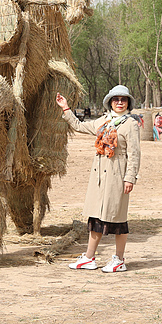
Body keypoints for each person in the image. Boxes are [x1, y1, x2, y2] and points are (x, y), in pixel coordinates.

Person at [56, 85, 141, 273]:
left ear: (128, 103)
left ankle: (119, 260)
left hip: (117, 175)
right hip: (98, 176)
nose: (120, 102)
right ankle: (89, 258)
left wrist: (130, 178)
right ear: (110, 102)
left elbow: (134, 154)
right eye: (116, 99)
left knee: (117, 218)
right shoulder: (103, 121)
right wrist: (66, 108)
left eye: (123, 99)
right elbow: (78, 126)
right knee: (95, 217)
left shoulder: (130, 124)